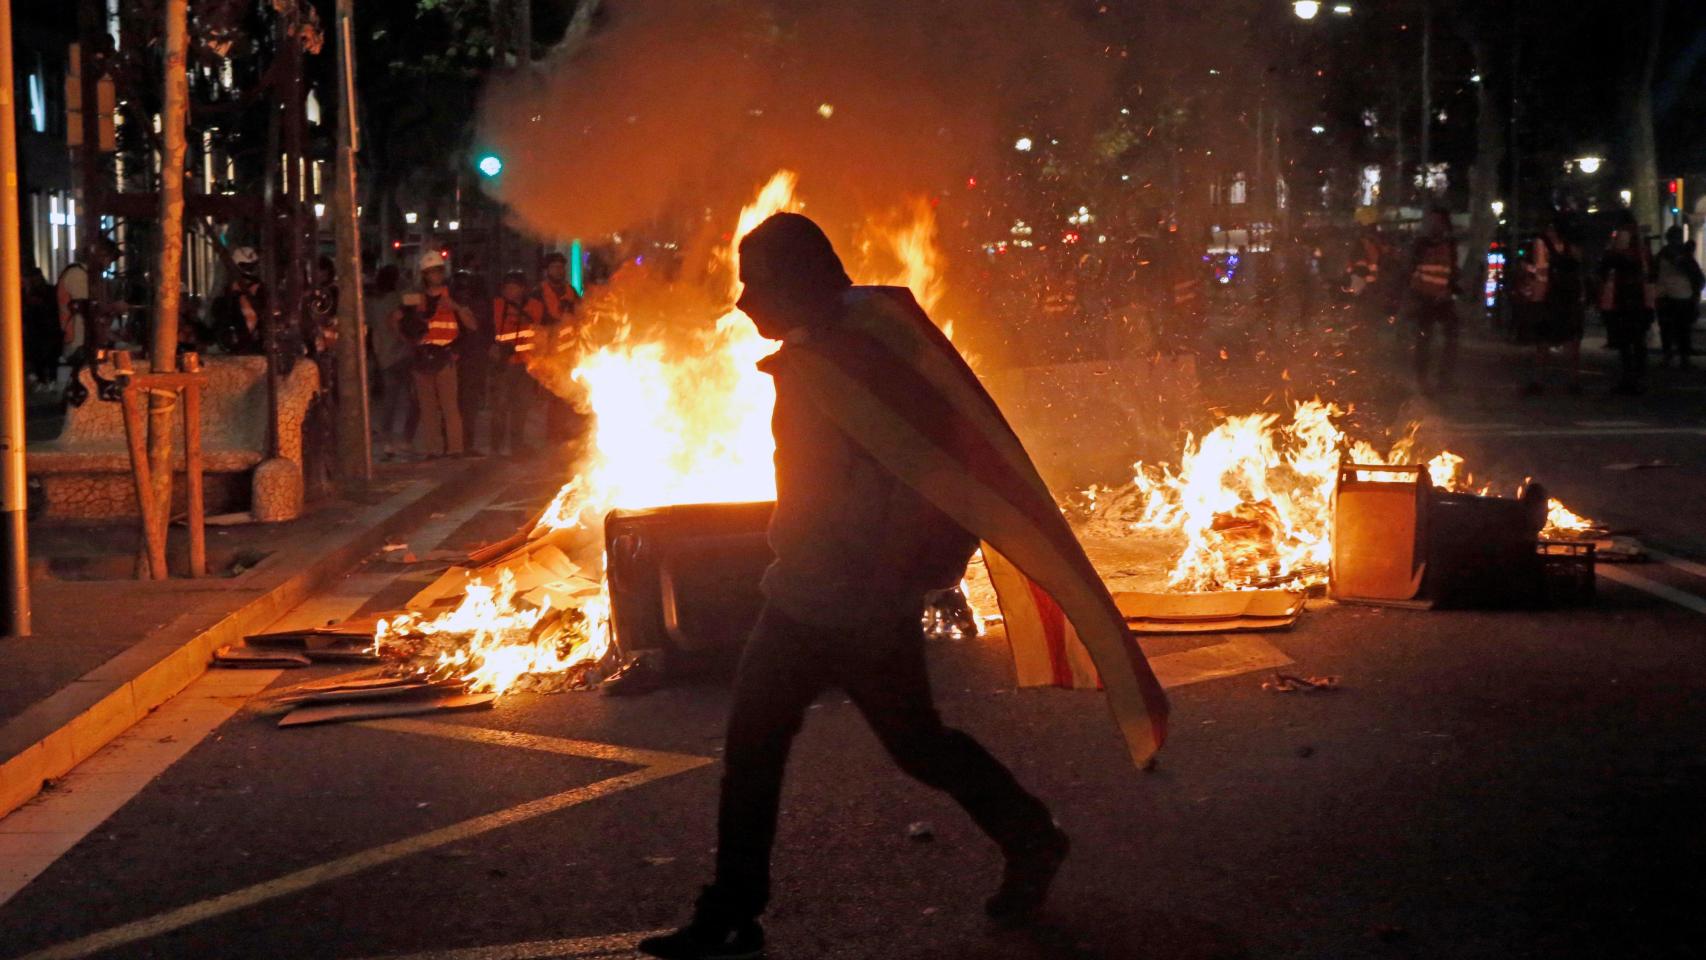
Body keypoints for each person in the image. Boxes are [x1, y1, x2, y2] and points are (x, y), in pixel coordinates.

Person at [641, 214, 1074, 960]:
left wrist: (895, 580)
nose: (746, 301)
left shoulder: (864, 366)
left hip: (861, 606)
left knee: (918, 745)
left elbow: (930, 475)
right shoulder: (814, 360)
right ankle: (731, 912)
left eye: (759, 281)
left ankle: (1032, 837)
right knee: (754, 747)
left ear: (802, 282)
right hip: (800, 594)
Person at [392, 251, 475, 457]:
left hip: (445, 356)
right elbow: (394, 318)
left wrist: (456, 307)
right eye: (430, 273)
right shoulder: (415, 298)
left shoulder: (452, 296)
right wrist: (408, 340)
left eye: (437, 272)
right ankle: (433, 449)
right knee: (428, 408)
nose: (434, 276)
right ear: (424, 275)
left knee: (449, 407)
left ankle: (455, 449)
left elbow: (472, 325)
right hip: (421, 357)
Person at [1524, 222, 1588, 394]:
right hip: (1569, 298)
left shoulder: (1541, 243)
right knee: (1571, 340)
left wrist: (1534, 296)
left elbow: (1538, 272)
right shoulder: (1572, 247)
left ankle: (1538, 381)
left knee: (1543, 340)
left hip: (1549, 298)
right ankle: (1573, 382)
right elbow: (1579, 270)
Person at [1404, 207, 1461, 393]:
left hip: (1442, 299)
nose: (1434, 225)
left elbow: (1452, 271)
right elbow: (1411, 269)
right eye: (1432, 221)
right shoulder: (1422, 244)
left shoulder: (1450, 245)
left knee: (1452, 337)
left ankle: (1445, 380)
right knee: (1423, 339)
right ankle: (1422, 379)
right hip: (1424, 298)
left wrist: (1450, 290)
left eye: (1438, 221)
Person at [1598, 218, 1655, 395]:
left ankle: (1632, 378)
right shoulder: (1642, 253)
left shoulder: (1627, 255)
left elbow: (1605, 268)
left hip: (1628, 300)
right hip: (1636, 300)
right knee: (1635, 341)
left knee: (1629, 342)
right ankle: (1635, 377)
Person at [532, 251, 584, 440]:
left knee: (569, 396)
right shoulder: (538, 293)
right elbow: (534, 323)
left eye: (561, 267)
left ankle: (565, 434)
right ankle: (553, 436)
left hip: (570, 353)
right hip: (549, 352)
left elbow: (581, 316)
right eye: (554, 267)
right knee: (552, 396)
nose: (559, 270)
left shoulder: (571, 291)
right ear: (547, 270)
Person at [366, 263, 413, 458]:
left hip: (382, 353)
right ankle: (403, 437)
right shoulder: (397, 298)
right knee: (409, 398)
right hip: (402, 350)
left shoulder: (372, 302)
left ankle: (388, 440)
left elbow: (369, 325)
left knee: (390, 399)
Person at [490, 270, 539, 454]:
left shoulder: (534, 306)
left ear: (523, 289)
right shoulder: (496, 305)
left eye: (514, 287)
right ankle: (496, 448)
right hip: (503, 364)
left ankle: (516, 446)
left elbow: (540, 327)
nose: (509, 291)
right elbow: (488, 327)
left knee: (521, 407)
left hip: (525, 364)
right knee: (500, 407)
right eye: (506, 287)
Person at [56, 238, 118, 361]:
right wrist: (114, 307)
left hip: (85, 342)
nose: (109, 264)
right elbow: (91, 308)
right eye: (108, 259)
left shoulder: (88, 276)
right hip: (77, 344)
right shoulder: (77, 275)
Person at [1654, 225, 1703, 368]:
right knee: (1683, 329)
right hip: (1682, 296)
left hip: (1664, 295)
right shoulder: (1684, 255)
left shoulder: (1662, 254)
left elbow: (1654, 273)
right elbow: (1696, 276)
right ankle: (1683, 358)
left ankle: (1668, 355)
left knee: (1667, 328)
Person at [211, 247, 268, 355]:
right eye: (247, 266)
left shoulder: (264, 294)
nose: (251, 271)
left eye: (253, 266)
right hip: (233, 358)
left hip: (260, 356)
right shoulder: (224, 301)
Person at [22, 265, 61, 388]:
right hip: (37, 328)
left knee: (48, 356)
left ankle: (48, 380)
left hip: (47, 327)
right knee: (39, 356)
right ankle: (43, 379)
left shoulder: (48, 292)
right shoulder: (28, 293)